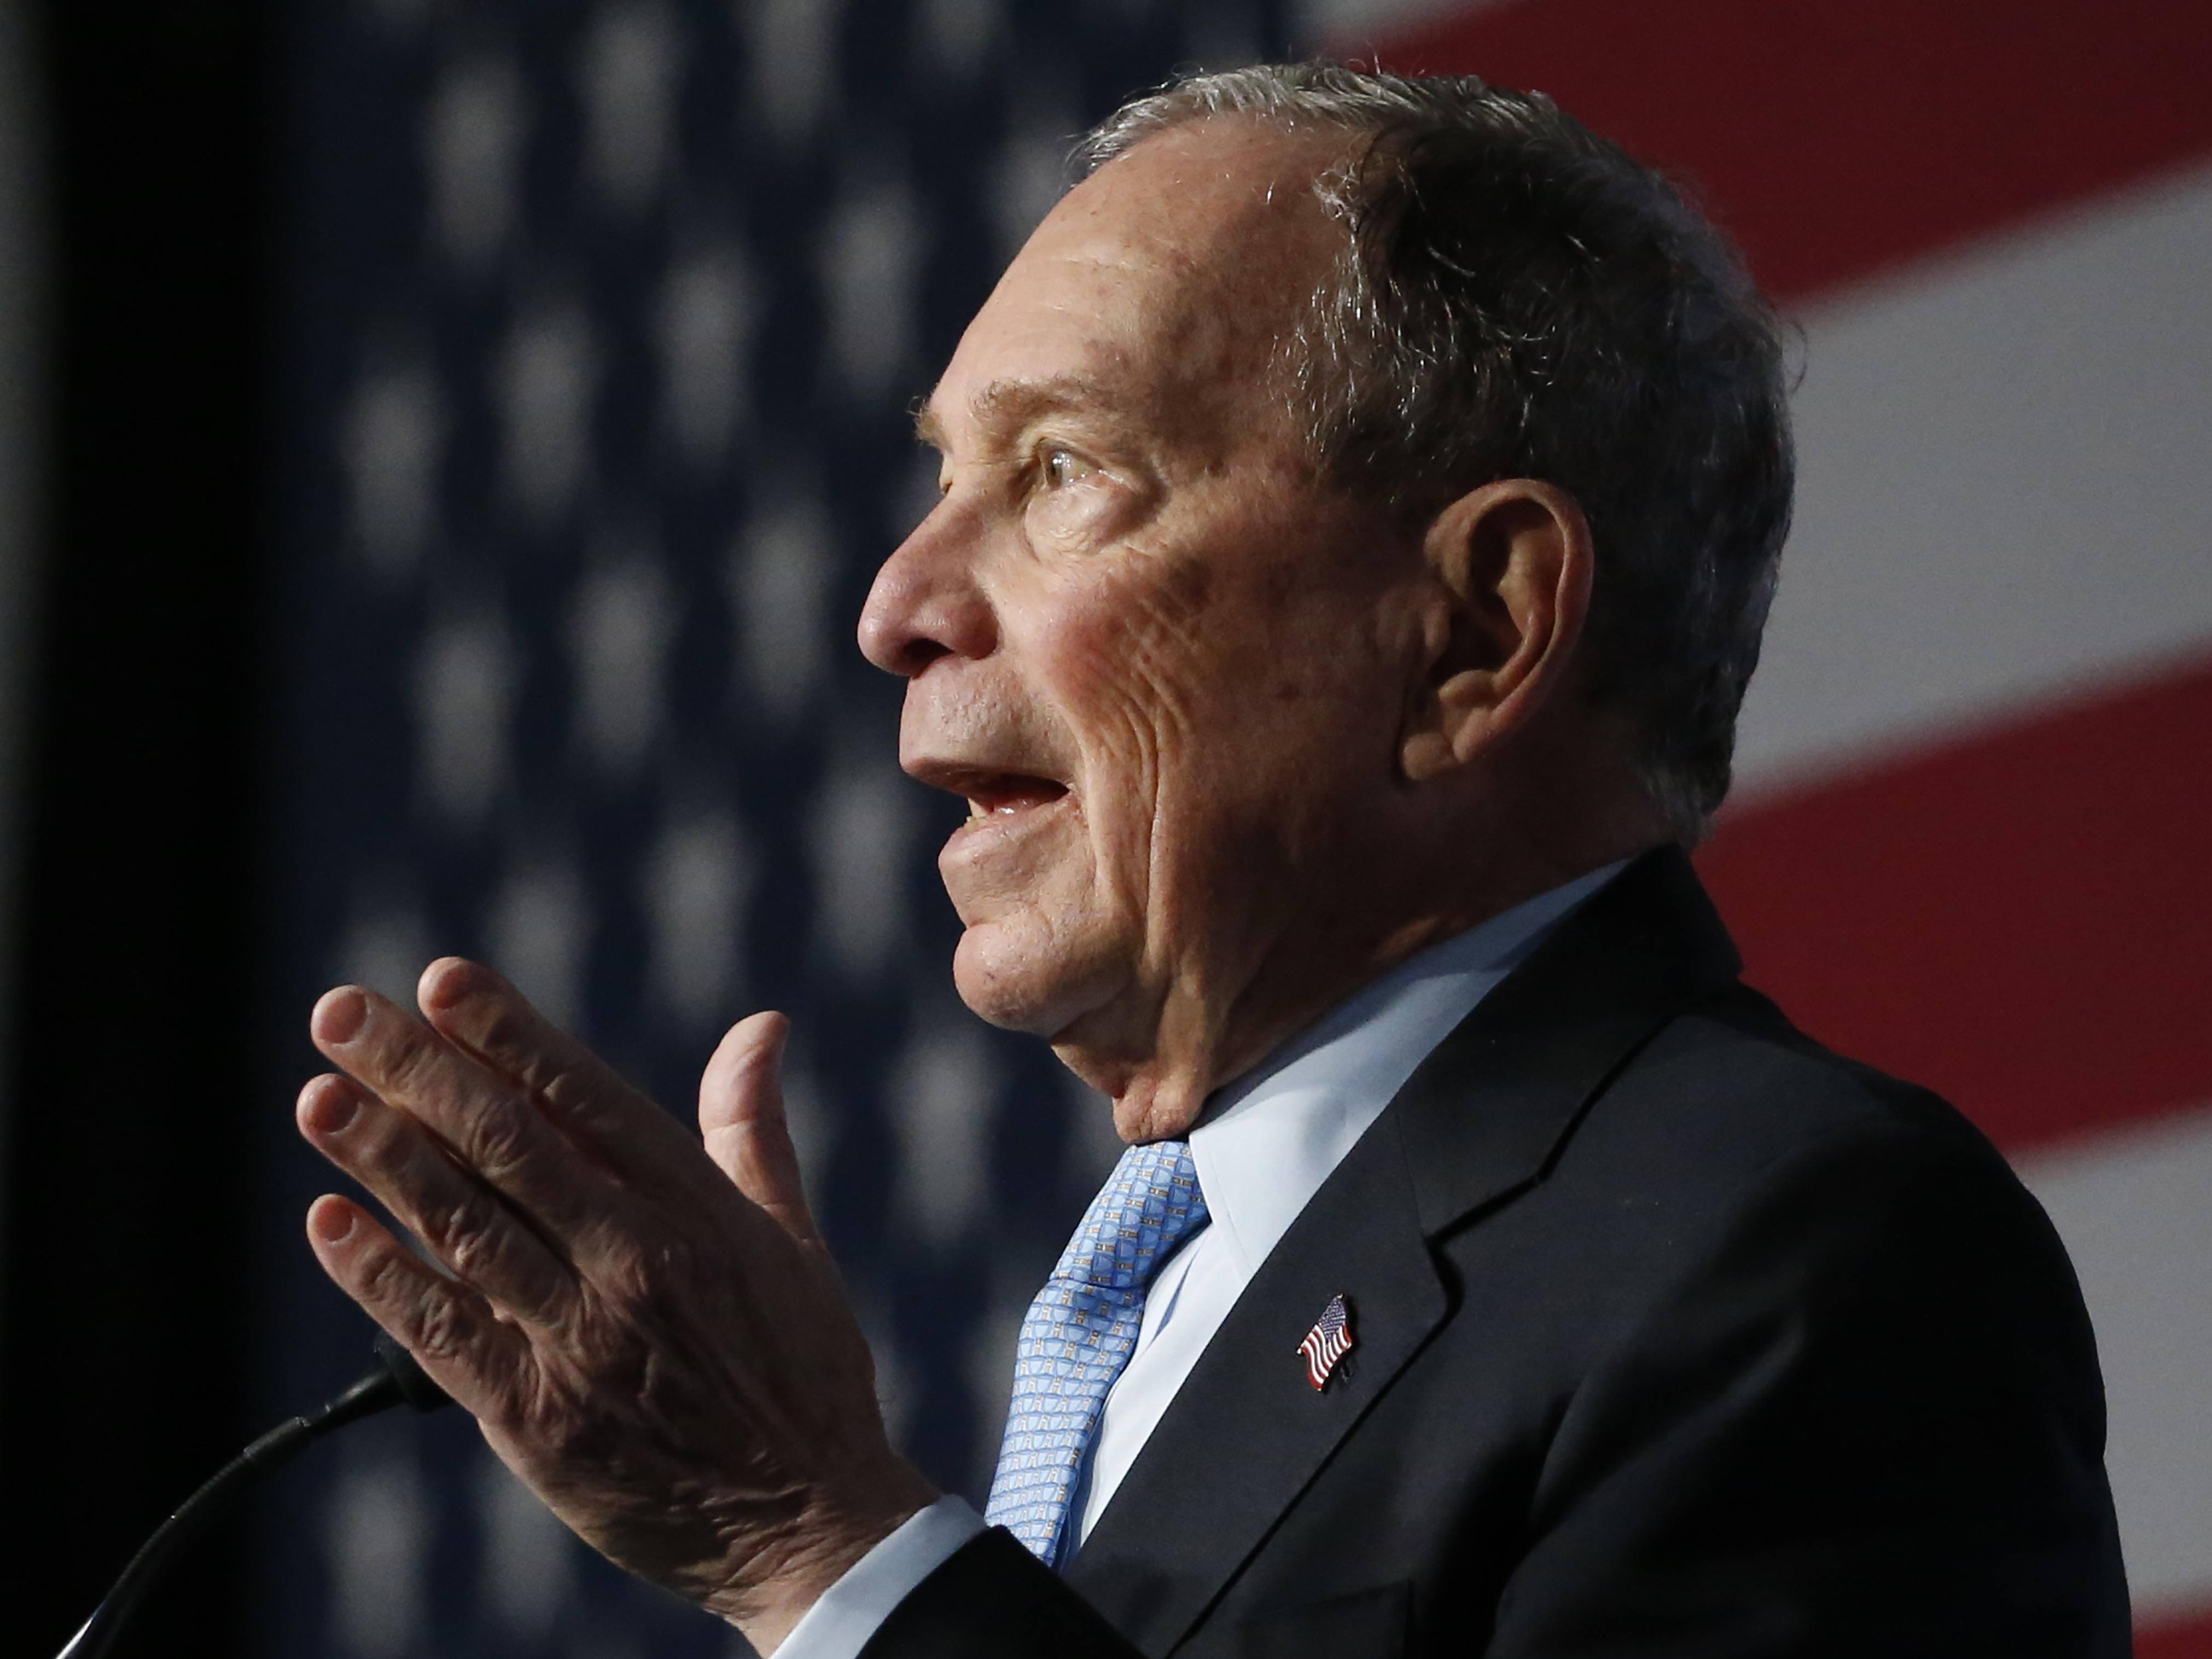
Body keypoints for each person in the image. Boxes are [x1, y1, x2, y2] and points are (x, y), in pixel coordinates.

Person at [294, 65, 2129, 1657]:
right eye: (941, 479)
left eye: (1062, 472)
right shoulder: (1169, 1285)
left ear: (1476, 629)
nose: (896, 603)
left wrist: (818, 1549)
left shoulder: (1790, 1254)